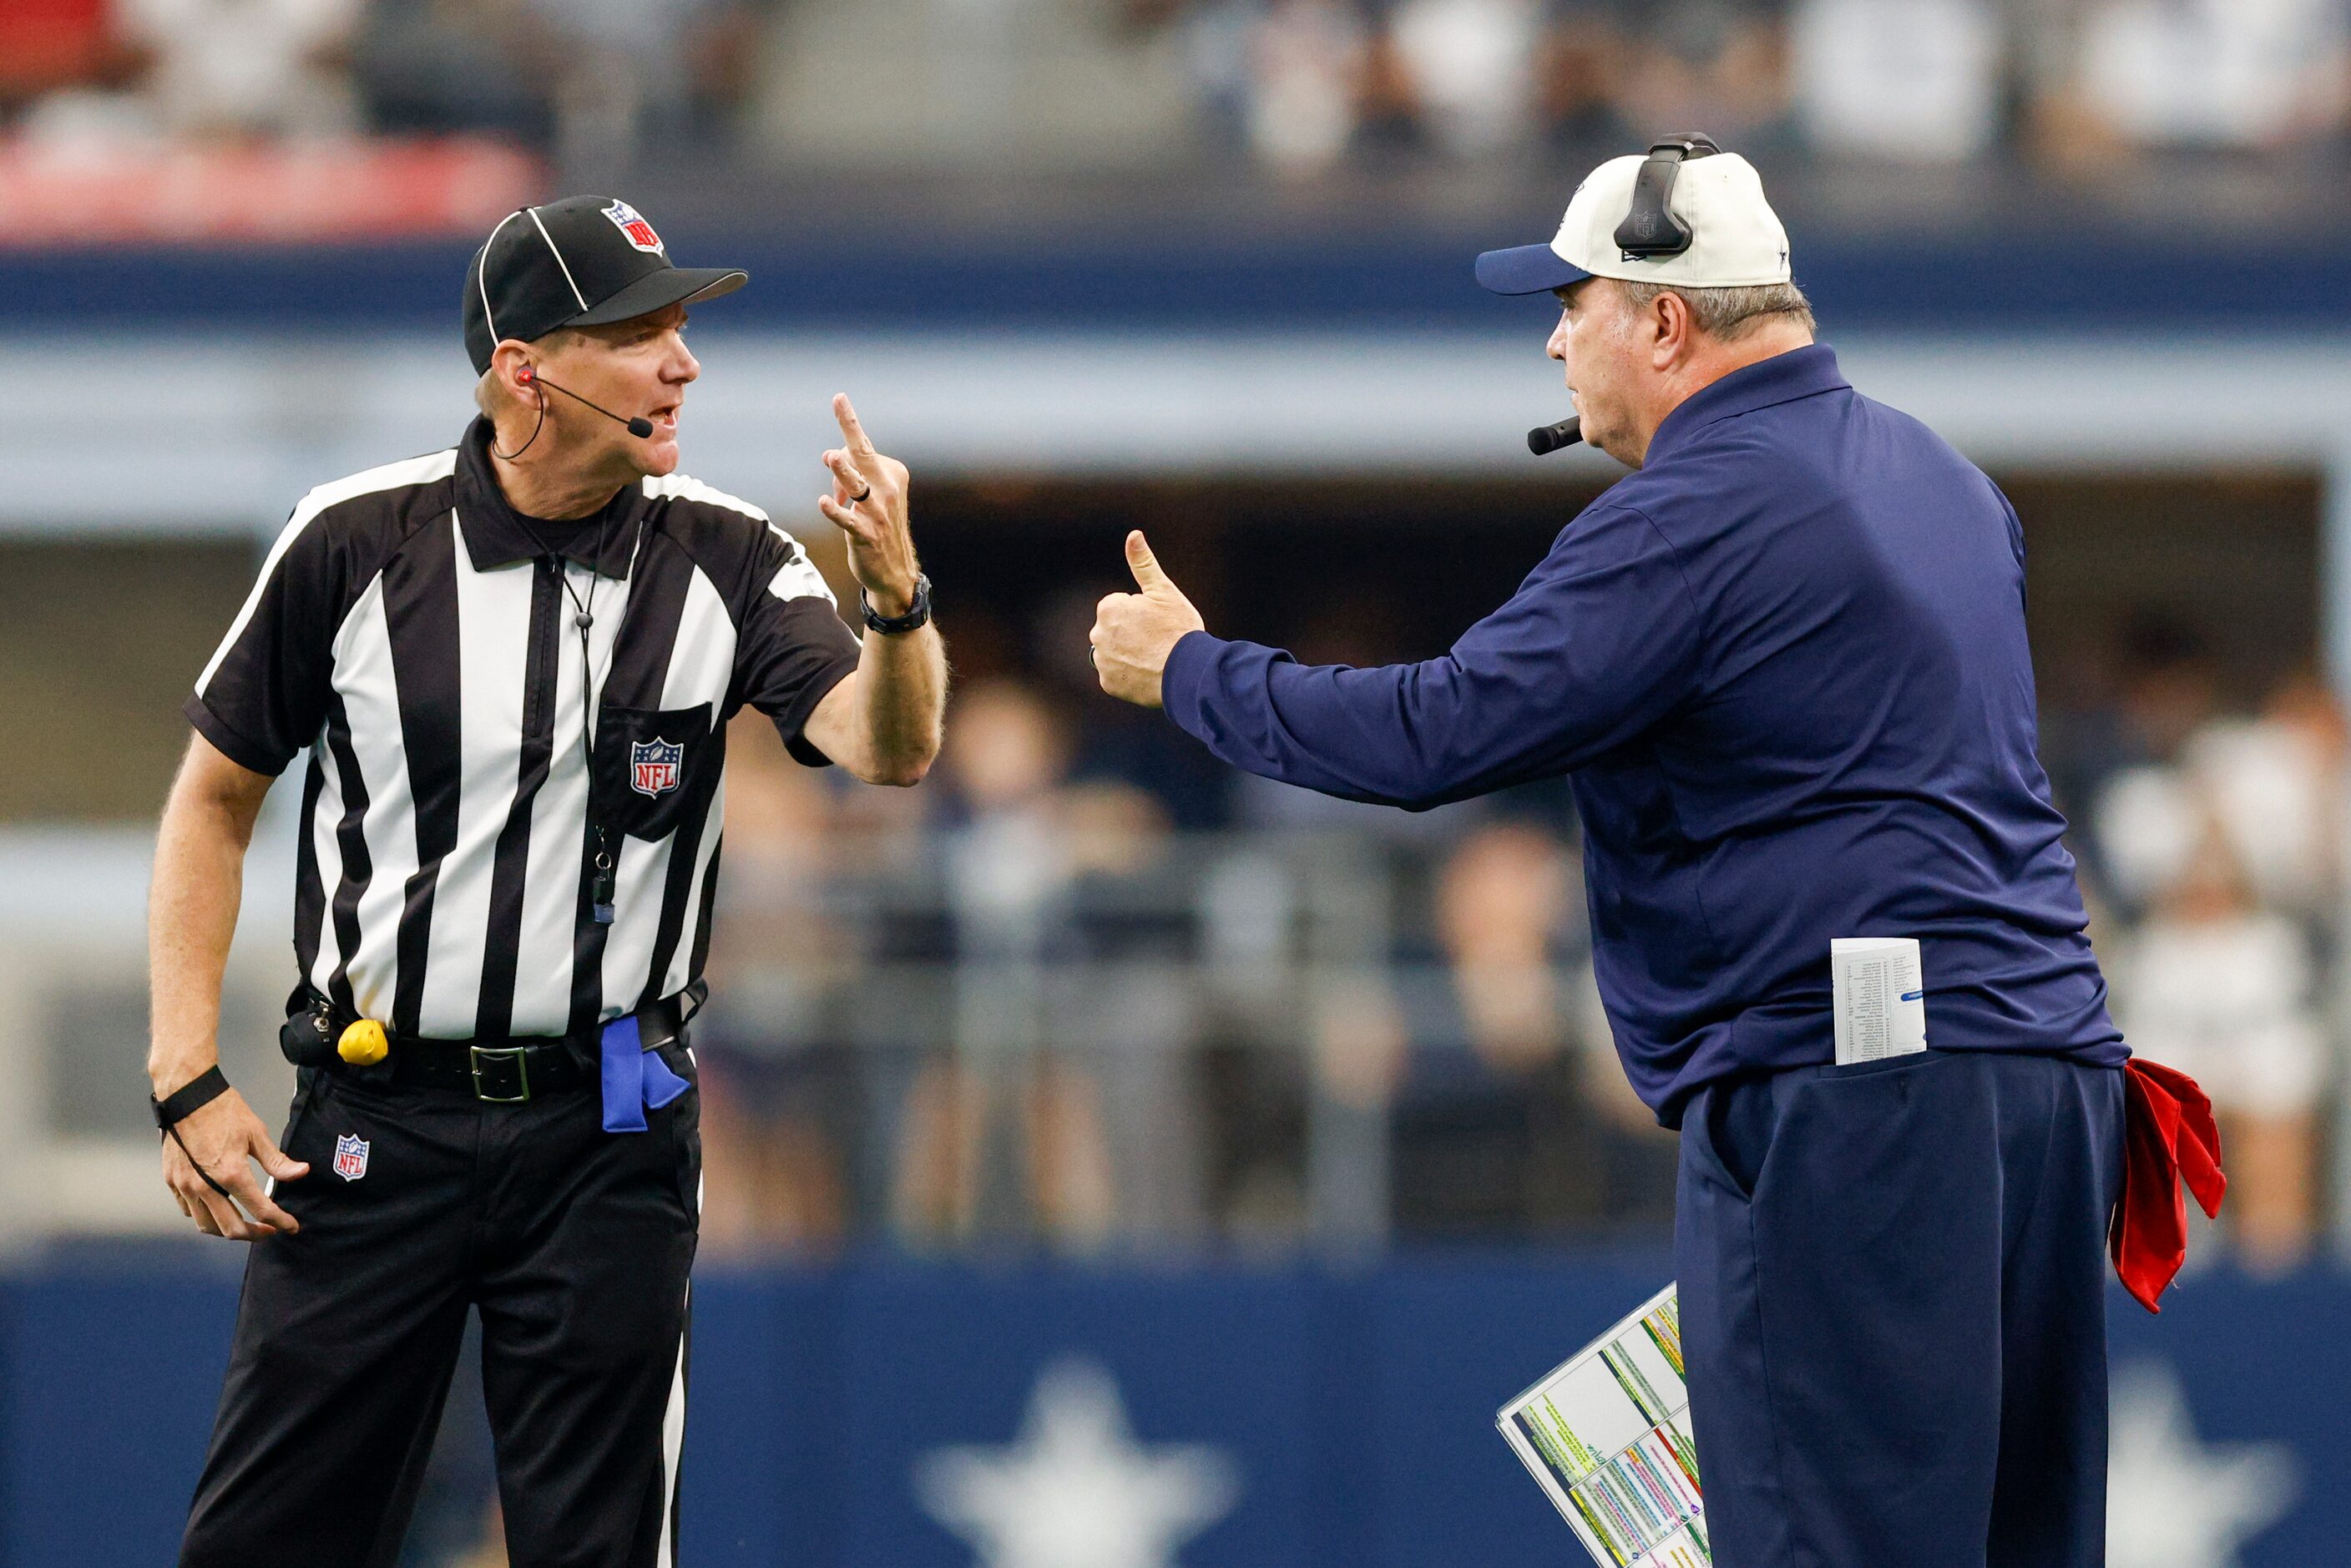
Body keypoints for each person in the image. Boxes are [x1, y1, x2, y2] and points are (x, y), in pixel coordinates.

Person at [1091, 137, 2218, 1565]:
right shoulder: (1944, 475)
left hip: (1864, 1096)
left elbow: (1435, 735)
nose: (1556, 340)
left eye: (1573, 303)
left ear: (1665, 320)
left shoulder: (1699, 506)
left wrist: (1192, 671)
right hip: (2053, 1089)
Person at [146, 195, 946, 1567]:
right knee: (268, 1542)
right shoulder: (353, 540)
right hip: (372, 1113)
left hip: (608, 1128)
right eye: (643, 332)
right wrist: (185, 1075)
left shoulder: (730, 555)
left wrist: (896, 599)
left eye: (683, 328)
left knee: (600, 1545)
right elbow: (215, 796)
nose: (684, 363)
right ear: (530, 367)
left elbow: (887, 748)